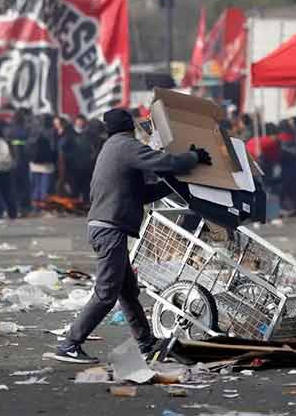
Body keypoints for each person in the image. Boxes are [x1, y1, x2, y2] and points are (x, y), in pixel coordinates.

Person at [53, 108, 211, 364]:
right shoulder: (125, 146)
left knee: (127, 291)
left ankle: (147, 344)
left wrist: (177, 185)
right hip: (109, 229)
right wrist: (192, 157)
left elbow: (141, 194)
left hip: (106, 226)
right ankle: (70, 344)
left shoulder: (113, 148)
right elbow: (163, 162)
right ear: (131, 127)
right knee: (106, 294)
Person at [27, 114, 58, 209]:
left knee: (35, 185)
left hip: (34, 163)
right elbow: (54, 148)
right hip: (47, 164)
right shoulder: (52, 131)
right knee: (45, 186)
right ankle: (44, 206)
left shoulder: (34, 130)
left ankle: (35, 206)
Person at [6, 109, 32, 216]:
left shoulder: (9, 131)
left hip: (12, 163)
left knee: (15, 187)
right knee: (25, 186)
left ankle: (17, 209)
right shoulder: (26, 131)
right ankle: (25, 208)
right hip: (24, 163)